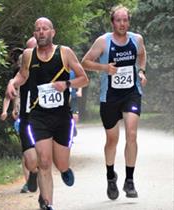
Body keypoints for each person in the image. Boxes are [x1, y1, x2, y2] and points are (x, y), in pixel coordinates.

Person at [6, 17, 89, 210]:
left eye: (45, 29)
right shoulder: (28, 55)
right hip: (39, 116)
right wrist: (12, 83)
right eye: (38, 29)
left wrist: (67, 84)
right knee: (44, 162)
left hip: (61, 117)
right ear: (35, 34)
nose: (41, 32)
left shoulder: (65, 53)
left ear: (53, 32)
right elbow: (23, 75)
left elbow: (84, 79)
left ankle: (65, 169)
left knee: (60, 163)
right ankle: (48, 204)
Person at [81, 5, 147, 200]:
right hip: (109, 97)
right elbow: (85, 62)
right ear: (112, 22)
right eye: (118, 20)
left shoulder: (136, 39)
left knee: (132, 135)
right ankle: (111, 177)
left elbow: (142, 55)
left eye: (125, 20)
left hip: (131, 94)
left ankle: (130, 180)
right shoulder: (103, 42)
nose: (122, 23)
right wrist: (104, 68)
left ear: (129, 21)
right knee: (112, 140)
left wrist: (142, 71)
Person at [0, 37, 39, 193]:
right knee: (27, 153)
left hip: (43, 118)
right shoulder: (18, 73)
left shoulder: (49, 67)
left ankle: (43, 193)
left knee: (41, 154)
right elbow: (10, 94)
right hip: (24, 117)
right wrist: (6, 110)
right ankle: (29, 179)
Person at [69, 70, 83, 137]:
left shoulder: (73, 72)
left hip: (73, 96)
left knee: (75, 116)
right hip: (62, 98)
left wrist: (79, 91)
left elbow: (81, 80)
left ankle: (73, 127)